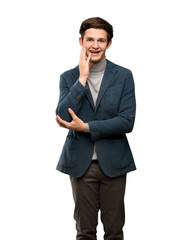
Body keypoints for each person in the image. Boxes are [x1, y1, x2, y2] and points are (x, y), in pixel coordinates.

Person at [55, 17, 136, 240]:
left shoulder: (123, 76)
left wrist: (87, 126)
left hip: (114, 163)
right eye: (90, 39)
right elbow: (62, 116)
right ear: (81, 41)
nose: (95, 45)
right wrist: (82, 78)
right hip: (81, 165)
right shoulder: (68, 77)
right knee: (85, 232)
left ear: (109, 43)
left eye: (101, 40)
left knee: (114, 232)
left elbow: (127, 121)